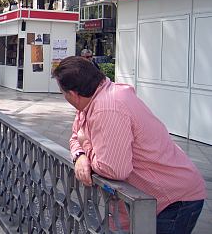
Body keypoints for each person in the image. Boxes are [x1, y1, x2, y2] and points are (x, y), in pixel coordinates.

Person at [52, 56, 206, 234]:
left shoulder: (107, 108)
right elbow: (75, 134)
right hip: (147, 199)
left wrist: (85, 142)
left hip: (173, 200)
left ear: (72, 94)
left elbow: (113, 169)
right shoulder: (96, 97)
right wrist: (80, 156)